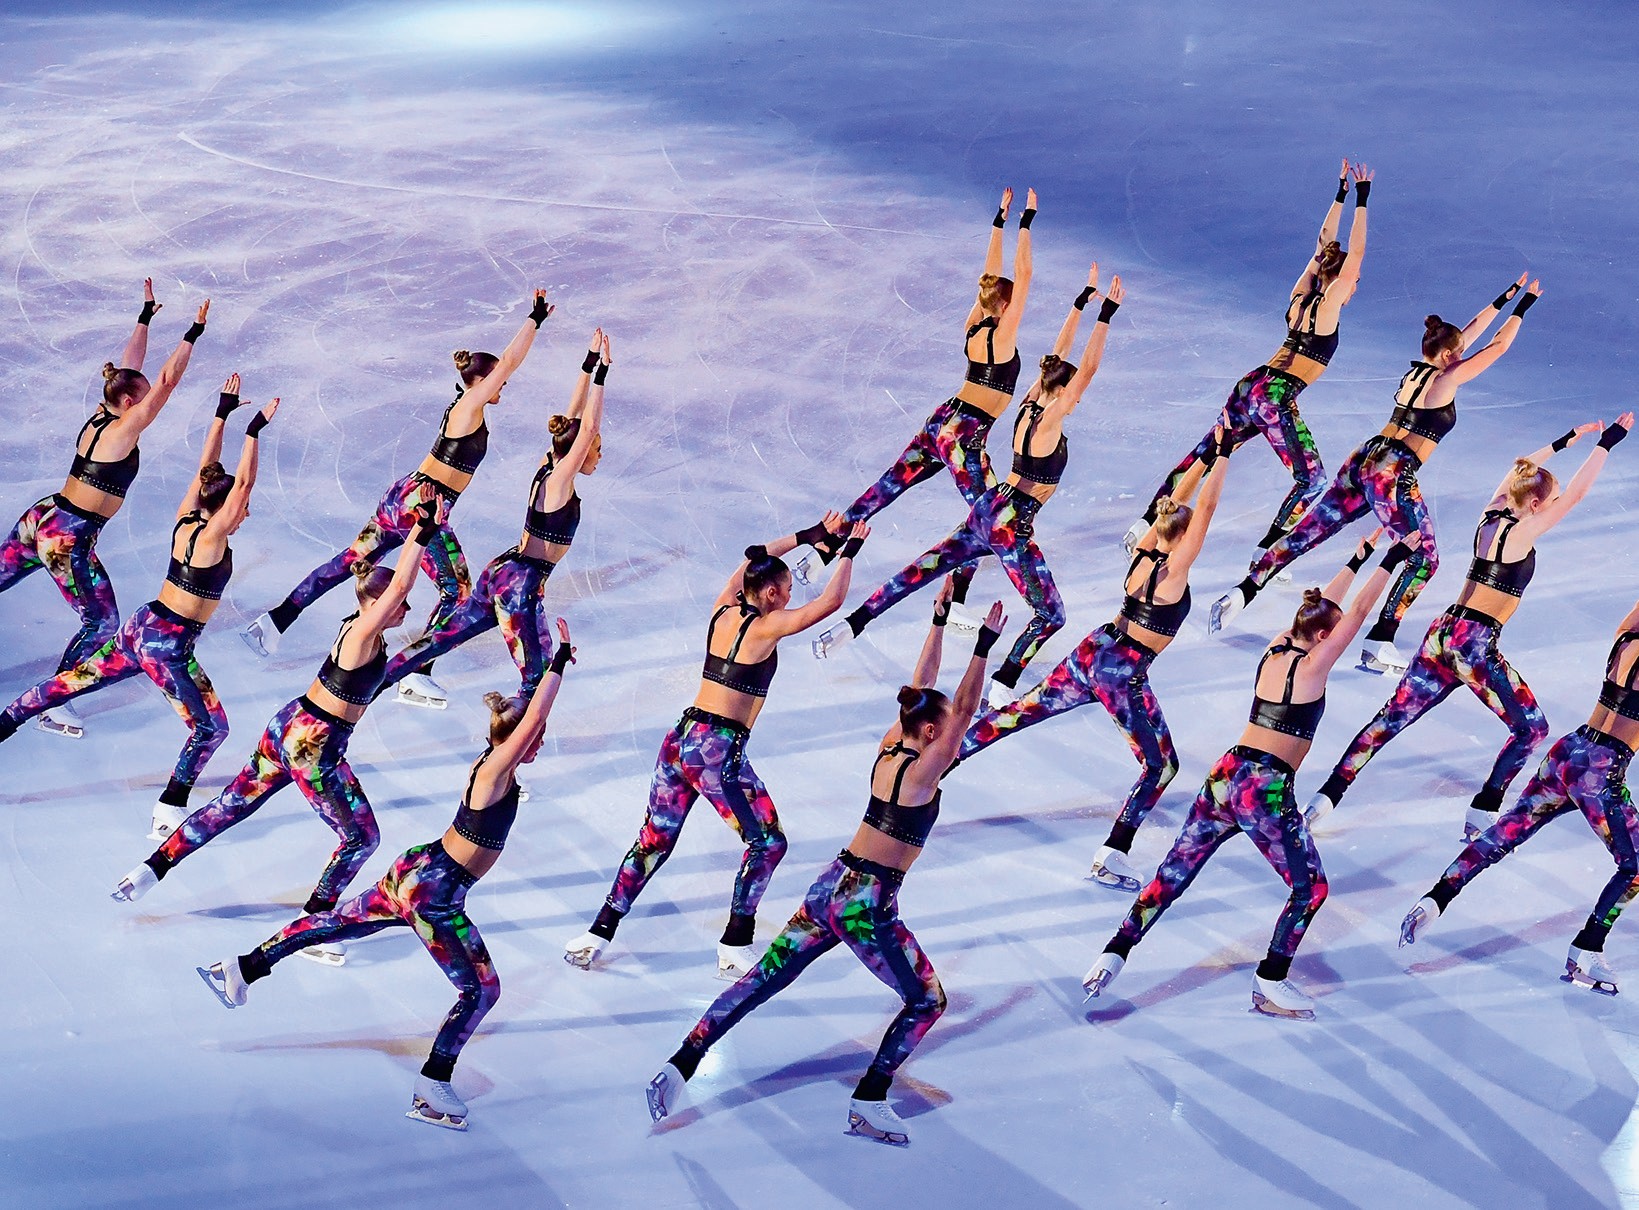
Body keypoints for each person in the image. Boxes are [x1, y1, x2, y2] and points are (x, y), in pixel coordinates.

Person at [646, 599, 1004, 1146]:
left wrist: (937, 623)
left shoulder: (891, 750)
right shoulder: (923, 776)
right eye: (944, 727)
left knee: (762, 978)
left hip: (829, 887)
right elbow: (963, 713)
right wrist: (982, 645)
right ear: (931, 731)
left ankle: (679, 1064)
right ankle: (869, 1099)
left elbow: (922, 690)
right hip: (866, 905)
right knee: (927, 1001)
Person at [196, 621, 575, 1131]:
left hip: (416, 872)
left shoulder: (495, 767)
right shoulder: (494, 773)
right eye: (536, 738)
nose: (541, 744)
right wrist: (558, 662)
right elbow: (532, 722)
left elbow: (528, 725)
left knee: (334, 924)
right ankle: (433, 1085)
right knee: (481, 991)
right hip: (435, 893)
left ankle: (242, 968)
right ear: (516, 740)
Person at [1083, 532, 1419, 1020]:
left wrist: (1359, 555)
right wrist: (1393, 559)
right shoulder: (1313, 666)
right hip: (1264, 789)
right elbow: (1359, 612)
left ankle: (1113, 953)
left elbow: (1324, 608)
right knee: (1310, 890)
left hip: (1226, 775)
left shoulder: (1279, 645)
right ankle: (1270, 982)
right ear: (1322, 638)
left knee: (1174, 872)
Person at [113, 508, 439, 964]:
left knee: (230, 806)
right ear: (380, 601)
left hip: (287, 725)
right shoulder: (364, 632)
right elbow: (400, 586)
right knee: (361, 838)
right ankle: (314, 924)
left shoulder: (359, 626)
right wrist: (421, 532)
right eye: (401, 604)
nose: (408, 609)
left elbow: (396, 600)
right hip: (315, 746)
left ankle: (151, 869)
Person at [564, 516, 869, 978]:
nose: (791, 597)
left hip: (679, 741)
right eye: (787, 590)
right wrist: (849, 550)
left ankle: (598, 932)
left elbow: (752, 561)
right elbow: (832, 601)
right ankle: (735, 943)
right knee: (767, 843)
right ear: (771, 594)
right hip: (715, 751)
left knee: (653, 840)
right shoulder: (767, 628)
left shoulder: (722, 610)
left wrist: (809, 536)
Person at [1306, 417, 1630, 837]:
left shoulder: (1490, 515)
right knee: (1531, 728)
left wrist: (1564, 442)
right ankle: (1484, 807)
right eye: (1549, 501)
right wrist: (1607, 443)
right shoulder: (1521, 534)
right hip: (1473, 645)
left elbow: (1519, 471)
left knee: (1389, 719)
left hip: (1442, 634)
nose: (1554, 505)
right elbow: (1577, 495)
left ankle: (1326, 795)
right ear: (1535, 505)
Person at [813, 272, 1124, 704]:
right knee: (1051, 615)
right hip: (1011, 524)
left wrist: (1079, 305)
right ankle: (1002, 684)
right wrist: (1106, 314)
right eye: (1073, 392)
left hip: (988, 509)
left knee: (918, 571)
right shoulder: (1051, 421)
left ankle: (852, 625)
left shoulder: (1032, 403)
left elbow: (1058, 359)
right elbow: (1086, 369)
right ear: (1064, 394)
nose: (1079, 396)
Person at [1210, 275, 1542, 674]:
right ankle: (1380, 639)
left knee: (1311, 531)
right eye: (1458, 353)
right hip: (1391, 472)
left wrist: (1505, 298)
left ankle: (1243, 592)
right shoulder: (1446, 379)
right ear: (1449, 356)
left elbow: (1465, 336)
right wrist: (1524, 308)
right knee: (1425, 557)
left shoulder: (1419, 372)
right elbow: (1498, 346)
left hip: (1364, 457)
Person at [242, 290, 552, 709]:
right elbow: (510, 362)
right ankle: (416, 675)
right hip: (422, 504)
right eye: (497, 379)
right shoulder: (470, 404)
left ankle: (274, 623)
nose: (505, 384)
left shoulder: (463, 406)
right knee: (457, 590)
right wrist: (534, 319)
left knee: (349, 560)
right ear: (481, 381)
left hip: (402, 496)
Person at [0, 379, 277, 838]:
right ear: (229, 507)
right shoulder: (212, 538)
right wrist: (253, 431)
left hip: (141, 627)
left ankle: (6, 722)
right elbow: (243, 483)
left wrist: (221, 414)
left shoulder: (189, 517)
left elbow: (206, 471)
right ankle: (169, 807)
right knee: (210, 729)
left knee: (72, 681)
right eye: (241, 507)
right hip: (167, 647)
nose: (245, 512)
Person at [960, 424, 1233, 888]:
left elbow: (1174, 501)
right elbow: (1203, 510)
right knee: (1161, 766)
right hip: (1121, 672)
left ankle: (945, 758)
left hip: (1094, 649)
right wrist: (1223, 455)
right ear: (1184, 538)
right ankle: (1111, 854)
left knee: (1020, 712)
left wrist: (1207, 456)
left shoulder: (1145, 551)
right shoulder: (1172, 573)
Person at [792, 188, 1035, 610]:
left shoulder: (975, 325)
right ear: (1005, 305)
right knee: (989, 516)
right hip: (964, 435)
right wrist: (1026, 221)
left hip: (942, 421)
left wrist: (1000, 221)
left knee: (888, 485)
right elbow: (1023, 275)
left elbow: (989, 279)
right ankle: (956, 596)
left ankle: (823, 551)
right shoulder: (1001, 334)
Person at [1122, 160, 1370, 557]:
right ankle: (1267, 552)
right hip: (1273, 396)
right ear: (1343, 280)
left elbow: (1321, 246)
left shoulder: (1300, 298)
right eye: (1353, 281)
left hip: (1250, 385)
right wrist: (1362, 197)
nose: (1355, 286)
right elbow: (1353, 253)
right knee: (1311, 480)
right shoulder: (1327, 308)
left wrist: (1340, 192)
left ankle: (1144, 524)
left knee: (1205, 453)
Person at [1398, 599, 1639, 995]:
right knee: (1635, 865)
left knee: (1509, 829)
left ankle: (1437, 897)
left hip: (1568, 751)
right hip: (1600, 772)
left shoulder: (1626, 639)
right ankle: (1587, 948)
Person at [0, 282, 208, 737]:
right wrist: (192, 333)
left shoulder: (105, 411)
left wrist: (146, 316)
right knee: (102, 621)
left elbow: (131, 370)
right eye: (142, 398)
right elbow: (166, 383)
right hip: (67, 537)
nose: (149, 402)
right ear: (131, 403)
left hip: (42, 517)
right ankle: (55, 704)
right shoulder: (124, 431)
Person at [382, 330, 609, 710]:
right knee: (537, 682)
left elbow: (573, 422)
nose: (599, 455)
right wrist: (602, 375)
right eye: (596, 450)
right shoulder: (559, 481)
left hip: (502, 572)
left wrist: (588, 365)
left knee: (440, 639)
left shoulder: (551, 463)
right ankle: (516, 739)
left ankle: (371, 681)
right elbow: (585, 430)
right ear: (578, 453)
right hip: (520, 585)